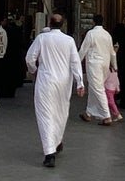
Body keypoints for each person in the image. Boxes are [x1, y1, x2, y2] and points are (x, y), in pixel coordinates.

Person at [26, 13, 85, 168]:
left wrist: (34, 70)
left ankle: (49, 152)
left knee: (45, 114)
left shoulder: (42, 38)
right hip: (64, 82)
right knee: (61, 112)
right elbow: (75, 62)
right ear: (62, 25)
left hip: (46, 81)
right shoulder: (69, 41)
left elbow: (30, 58)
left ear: (49, 24)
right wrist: (80, 82)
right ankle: (56, 141)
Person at [78, 14, 117, 124]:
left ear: (93, 22)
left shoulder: (91, 34)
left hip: (94, 64)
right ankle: (88, 112)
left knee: (97, 88)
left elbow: (83, 50)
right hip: (105, 63)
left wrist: (76, 63)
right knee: (94, 87)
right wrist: (115, 66)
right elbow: (112, 52)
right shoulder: (107, 35)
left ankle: (106, 116)